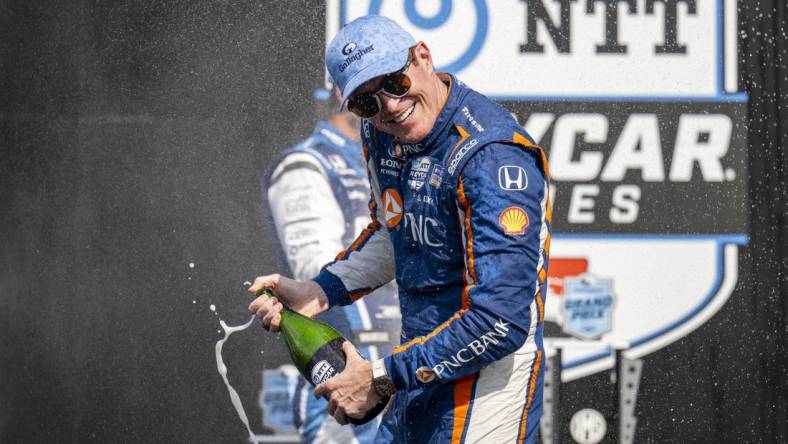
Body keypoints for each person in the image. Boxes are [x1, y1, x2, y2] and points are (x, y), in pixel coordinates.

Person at [249, 14, 551, 443]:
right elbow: (396, 234)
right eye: (365, 102)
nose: (388, 106)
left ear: (422, 58)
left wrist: (378, 378)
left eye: (393, 81)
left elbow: (498, 322)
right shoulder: (381, 133)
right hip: (416, 373)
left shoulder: (492, 157)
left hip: (486, 390)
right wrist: (318, 292)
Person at [259, 90, 401, 444]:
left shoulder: (387, 160)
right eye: (388, 83)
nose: (397, 96)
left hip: (399, 375)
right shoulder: (305, 163)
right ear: (344, 91)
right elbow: (314, 268)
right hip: (342, 380)